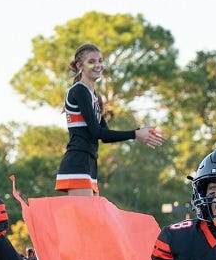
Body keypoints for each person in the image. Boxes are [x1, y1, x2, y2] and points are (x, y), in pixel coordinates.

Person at [55, 43, 165, 195]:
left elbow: (105, 135)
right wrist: (136, 134)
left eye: (100, 61)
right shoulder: (79, 90)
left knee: (95, 211)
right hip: (77, 161)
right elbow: (96, 132)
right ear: (80, 65)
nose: (97, 65)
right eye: (91, 61)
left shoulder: (95, 97)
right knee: (86, 212)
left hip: (90, 163)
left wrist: (139, 132)